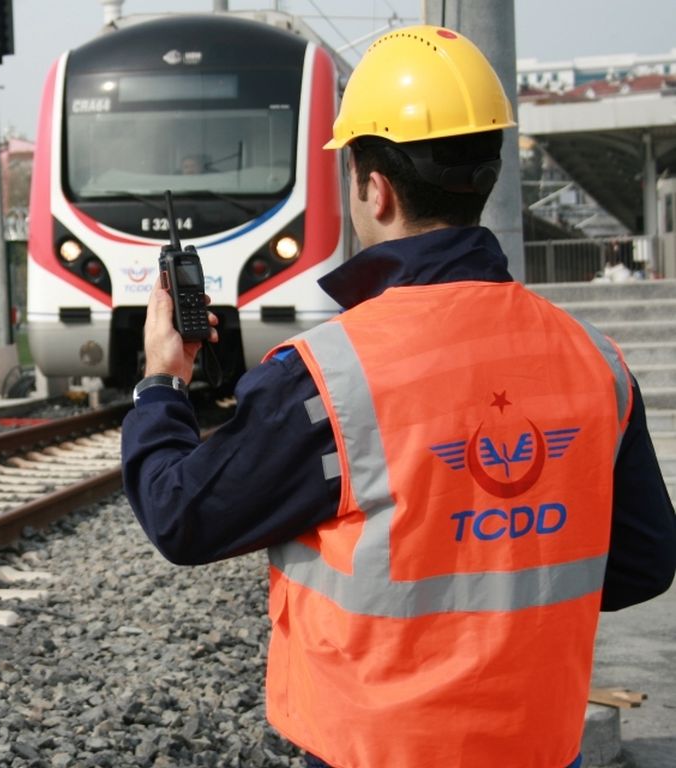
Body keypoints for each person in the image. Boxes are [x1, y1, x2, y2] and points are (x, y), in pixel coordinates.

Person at [122, 25, 676, 768]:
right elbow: (643, 564)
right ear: (486, 172)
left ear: (373, 187)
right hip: (541, 749)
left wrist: (162, 381)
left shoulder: (328, 378)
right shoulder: (594, 362)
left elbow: (180, 513)